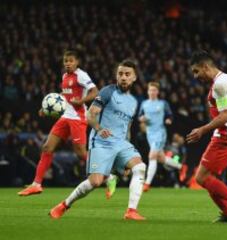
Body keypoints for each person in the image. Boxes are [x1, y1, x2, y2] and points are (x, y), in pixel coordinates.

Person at [49, 59, 146, 220]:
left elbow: (127, 127)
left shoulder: (134, 102)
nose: (123, 77)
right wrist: (100, 129)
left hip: (121, 143)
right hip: (101, 143)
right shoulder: (108, 92)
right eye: (120, 74)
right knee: (95, 182)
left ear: (134, 78)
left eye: (127, 74)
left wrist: (126, 154)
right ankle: (64, 205)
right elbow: (90, 115)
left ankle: (131, 211)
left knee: (140, 167)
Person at [18, 50, 98, 196]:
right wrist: (46, 108)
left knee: (80, 153)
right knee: (47, 147)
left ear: (77, 62)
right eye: (66, 61)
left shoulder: (81, 75)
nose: (68, 63)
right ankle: (36, 184)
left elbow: (95, 92)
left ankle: (108, 175)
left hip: (78, 119)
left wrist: (81, 101)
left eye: (71, 61)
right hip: (65, 117)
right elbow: (64, 96)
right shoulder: (64, 76)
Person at [186, 50, 227, 223]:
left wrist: (202, 130)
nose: (195, 76)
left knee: (201, 178)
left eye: (196, 71)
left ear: (205, 67)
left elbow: (225, 116)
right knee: (207, 178)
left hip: (225, 138)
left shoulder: (219, 85)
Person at [138, 82, 182, 192]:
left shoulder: (163, 103)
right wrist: (142, 119)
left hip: (160, 133)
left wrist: (169, 120)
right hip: (150, 134)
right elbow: (139, 116)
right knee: (161, 158)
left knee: (152, 155)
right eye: (150, 90)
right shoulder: (144, 104)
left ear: (157, 92)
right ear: (148, 91)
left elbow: (170, 115)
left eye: (154, 90)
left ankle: (147, 184)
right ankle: (180, 167)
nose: (152, 92)